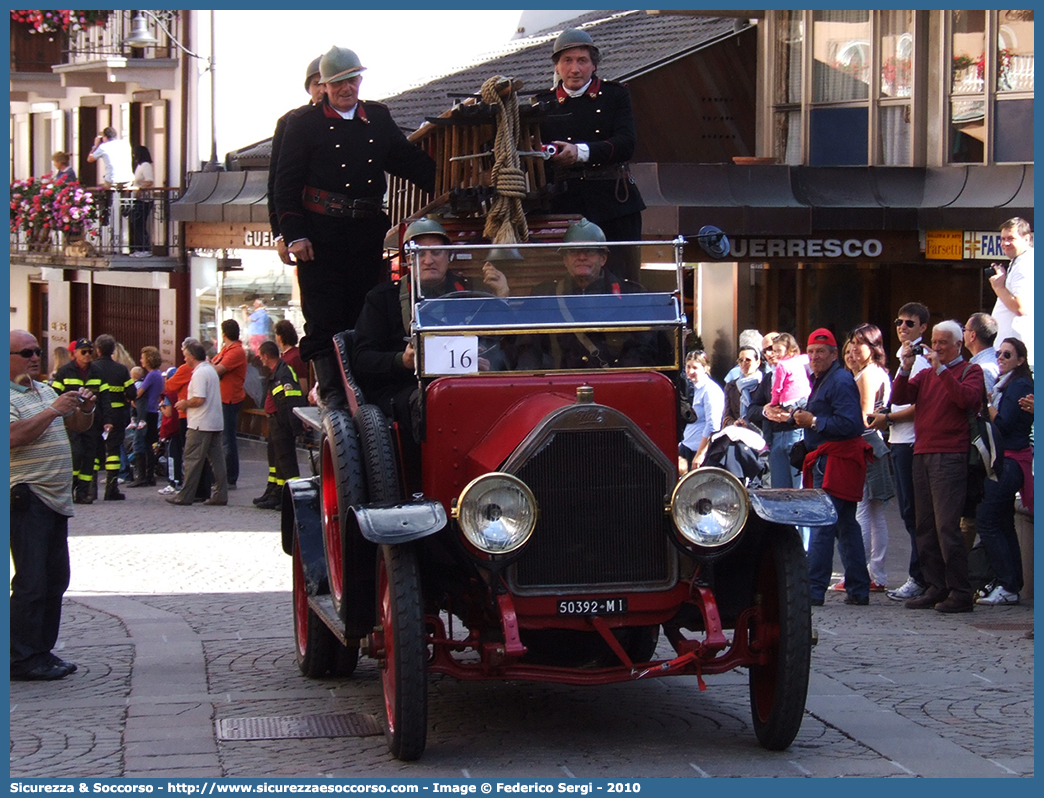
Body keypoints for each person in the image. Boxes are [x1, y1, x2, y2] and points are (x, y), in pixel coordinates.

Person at [274, 45, 436, 407]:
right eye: (338, 83)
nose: (347, 88)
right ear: (325, 86)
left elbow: (409, 162)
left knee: (365, 312)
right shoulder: (302, 123)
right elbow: (284, 186)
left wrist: (451, 182)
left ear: (360, 80)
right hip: (319, 234)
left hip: (365, 234)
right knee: (323, 318)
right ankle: (333, 394)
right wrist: (294, 234)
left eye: (353, 80)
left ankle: (366, 390)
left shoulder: (377, 118)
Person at [10, 330, 97, 680]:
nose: (35, 357)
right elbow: (13, 437)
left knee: (55, 579)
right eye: (26, 352)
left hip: (54, 501)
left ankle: (41, 652)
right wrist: (52, 411)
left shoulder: (44, 389)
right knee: (32, 582)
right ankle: (20, 658)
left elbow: (75, 423)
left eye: (38, 351)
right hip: (26, 497)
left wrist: (85, 408)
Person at [535, 28, 646, 284]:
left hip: (613, 204)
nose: (575, 69)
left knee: (622, 279)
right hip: (562, 205)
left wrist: (580, 152)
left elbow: (626, 144)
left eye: (582, 61)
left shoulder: (615, 96)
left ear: (594, 65)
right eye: (567, 61)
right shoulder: (540, 104)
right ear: (557, 67)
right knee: (557, 280)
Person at [891, 320, 985, 613]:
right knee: (925, 526)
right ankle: (936, 585)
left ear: (959, 344)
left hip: (950, 454)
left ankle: (960, 590)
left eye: (943, 342)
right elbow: (899, 397)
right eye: (935, 341)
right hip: (923, 451)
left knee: (947, 526)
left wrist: (941, 370)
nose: (937, 347)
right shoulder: (928, 373)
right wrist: (905, 366)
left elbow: (965, 399)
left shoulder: (971, 371)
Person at [790, 328, 871, 607]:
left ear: (834, 354)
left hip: (836, 460)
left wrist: (813, 422)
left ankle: (814, 590)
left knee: (825, 525)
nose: (814, 357)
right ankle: (858, 589)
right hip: (833, 459)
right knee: (845, 525)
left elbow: (851, 424)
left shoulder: (838, 380)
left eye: (820, 352)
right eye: (811, 352)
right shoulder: (827, 379)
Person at [524, 218, 655, 369]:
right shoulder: (544, 296)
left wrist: (620, 381)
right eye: (573, 252)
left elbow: (643, 349)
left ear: (603, 259)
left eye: (589, 251)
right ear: (565, 260)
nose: (581, 257)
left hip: (613, 384)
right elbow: (528, 348)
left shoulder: (632, 296)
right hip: (559, 383)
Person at [869, 303, 932, 602]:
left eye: (910, 323)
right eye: (899, 321)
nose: (903, 327)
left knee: (914, 513)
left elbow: (922, 406)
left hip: (912, 442)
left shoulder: (922, 360)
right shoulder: (905, 357)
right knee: (909, 511)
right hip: (899, 440)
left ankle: (920, 577)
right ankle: (922, 575)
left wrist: (889, 418)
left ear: (923, 328)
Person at [832, 325, 893, 594]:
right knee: (873, 510)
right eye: (851, 344)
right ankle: (874, 572)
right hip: (872, 444)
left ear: (873, 347)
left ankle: (864, 572)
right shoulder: (869, 373)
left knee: (863, 510)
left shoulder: (868, 375)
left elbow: (863, 417)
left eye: (860, 344)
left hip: (867, 445)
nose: (854, 349)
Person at [975, 337, 1033, 606]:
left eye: (1007, 354)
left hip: (1009, 461)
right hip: (1006, 460)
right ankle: (1008, 583)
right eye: (999, 353)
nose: (1001, 357)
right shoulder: (1007, 384)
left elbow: (1006, 423)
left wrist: (987, 405)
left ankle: (1007, 583)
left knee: (987, 520)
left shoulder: (1019, 384)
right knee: (1002, 522)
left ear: (1020, 360)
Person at [269, 55, 325, 266]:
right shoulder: (291, 123)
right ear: (309, 88)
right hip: (305, 227)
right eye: (316, 83)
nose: (322, 89)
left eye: (326, 83)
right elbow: (277, 183)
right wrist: (282, 234)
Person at [165, 338, 228, 507]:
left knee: (192, 458)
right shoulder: (211, 371)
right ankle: (220, 494)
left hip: (200, 423)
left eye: (186, 356)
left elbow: (199, 399)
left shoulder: (200, 373)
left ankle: (185, 495)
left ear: (192, 356)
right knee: (217, 460)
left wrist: (184, 403)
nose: (184, 359)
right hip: (215, 421)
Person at [958, 311, 999, 550]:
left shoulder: (982, 369)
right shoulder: (983, 364)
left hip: (979, 448)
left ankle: (972, 570)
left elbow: (983, 411)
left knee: (972, 511)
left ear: (972, 335)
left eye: (964, 330)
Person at [50, 337, 103, 504]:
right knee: (75, 453)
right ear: (75, 354)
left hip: (92, 420)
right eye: (84, 351)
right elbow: (53, 394)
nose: (88, 354)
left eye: (90, 351)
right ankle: (69, 488)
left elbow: (105, 397)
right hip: (70, 420)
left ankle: (83, 492)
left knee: (89, 455)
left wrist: (108, 419)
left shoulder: (97, 371)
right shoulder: (65, 371)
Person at [254, 341, 307, 510]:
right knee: (276, 460)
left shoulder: (284, 373)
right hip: (275, 422)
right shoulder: (276, 373)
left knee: (287, 461)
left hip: (282, 423)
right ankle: (275, 493)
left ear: (267, 356)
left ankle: (294, 499)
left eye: (261, 355)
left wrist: (292, 425)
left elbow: (291, 400)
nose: (260, 359)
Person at [761, 332, 808, 489]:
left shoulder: (801, 366)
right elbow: (753, 409)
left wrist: (786, 412)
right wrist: (767, 410)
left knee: (798, 487)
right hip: (776, 436)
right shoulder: (768, 377)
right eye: (768, 350)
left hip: (795, 432)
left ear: (789, 349)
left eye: (775, 349)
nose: (771, 354)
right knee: (780, 490)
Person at [92, 334, 134, 501]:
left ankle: (90, 489)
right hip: (116, 416)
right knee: (113, 451)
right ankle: (111, 488)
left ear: (97, 350)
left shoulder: (92, 369)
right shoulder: (121, 369)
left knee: (94, 451)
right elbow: (131, 393)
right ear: (113, 351)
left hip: (95, 415)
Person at [988, 217, 1033, 367]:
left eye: (1011, 238)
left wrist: (999, 287)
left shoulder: (1026, 264)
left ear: (1027, 239)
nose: (1005, 243)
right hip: (1009, 351)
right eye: (1003, 239)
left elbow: (1020, 308)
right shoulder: (1019, 261)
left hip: (1016, 354)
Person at [212, 319, 247, 490]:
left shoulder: (236, 351)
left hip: (230, 399)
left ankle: (230, 477)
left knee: (228, 439)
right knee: (222, 438)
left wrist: (211, 366)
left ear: (224, 333)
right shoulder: (226, 350)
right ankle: (222, 475)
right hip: (221, 398)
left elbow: (216, 369)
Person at [679, 350, 725, 470]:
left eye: (695, 367)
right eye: (688, 367)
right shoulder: (692, 388)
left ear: (705, 368)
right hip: (687, 446)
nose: (690, 371)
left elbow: (712, 425)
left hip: (700, 450)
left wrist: (700, 454)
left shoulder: (710, 390)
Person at [126, 347, 163, 488]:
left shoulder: (151, 375)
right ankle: (148, 476)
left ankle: (142, 476)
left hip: (146, 412)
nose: (141, 360)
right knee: (148, 443)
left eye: (143, 358)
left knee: (139, 441)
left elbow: (139, 392)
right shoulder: (158, 375)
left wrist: (132, 398)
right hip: (153, 412)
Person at [722, 346, 763, 427]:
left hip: (759, 433)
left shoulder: (763, 384)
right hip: (738, 432)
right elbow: (727, 415)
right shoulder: (731, 386)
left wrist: (750, 426)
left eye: (748, 360)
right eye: (741, 360)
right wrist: (735, 423)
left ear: (758, 363)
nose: (744, 363)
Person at [129, 145, 154, 257]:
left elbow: (149, 181)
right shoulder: (139, 166)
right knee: (136, 223)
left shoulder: (146, 165)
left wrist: (140, 190)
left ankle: (145, 249)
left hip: (144, 200)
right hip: (138, 199)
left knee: (139, 224)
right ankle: (138, 248)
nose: (133, 155)